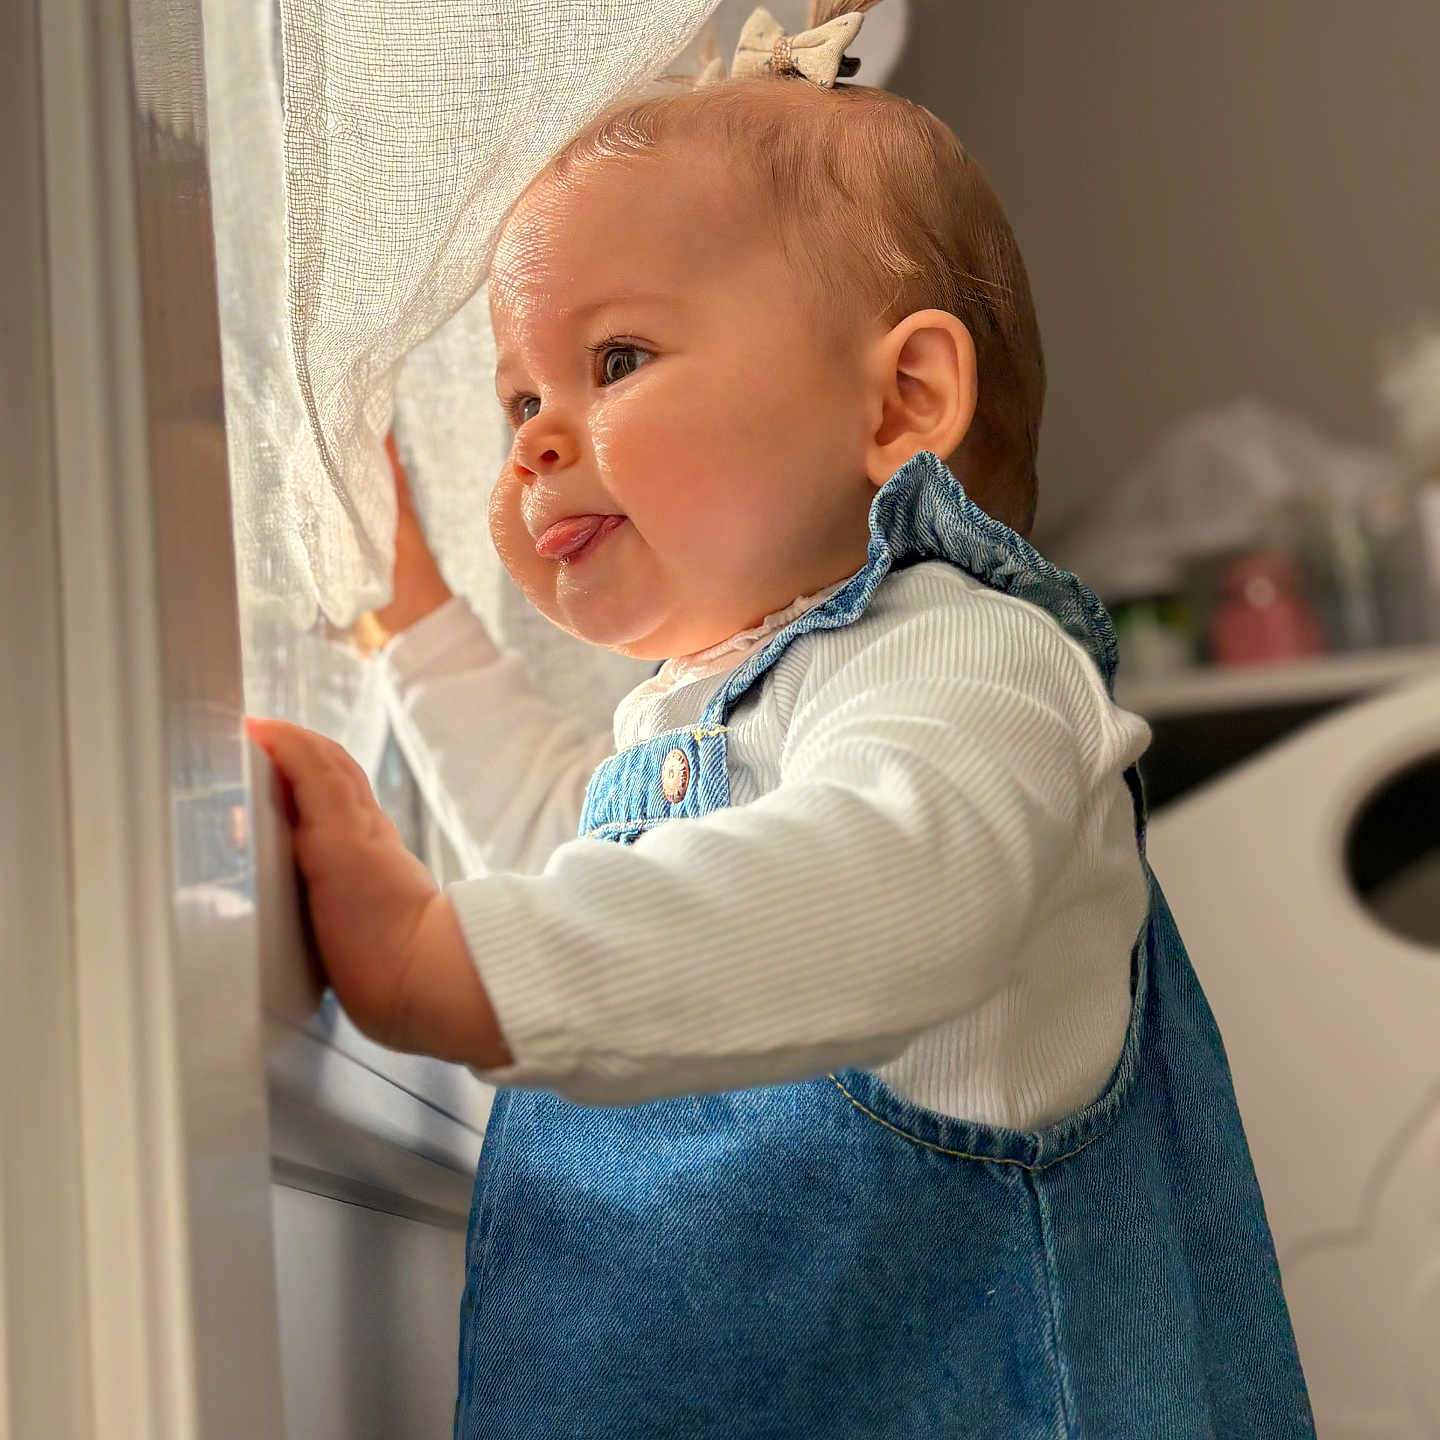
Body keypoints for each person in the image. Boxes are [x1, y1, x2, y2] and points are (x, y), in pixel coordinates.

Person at [248, 4, 1315, 1434]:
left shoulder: (970, 661)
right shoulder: (710, 727)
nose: (533, 443)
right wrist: (416, 631)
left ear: (903, 402)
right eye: (517, 397)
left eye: (615, 361)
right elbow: (582, 853)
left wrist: (457, 962)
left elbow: (886, 887)